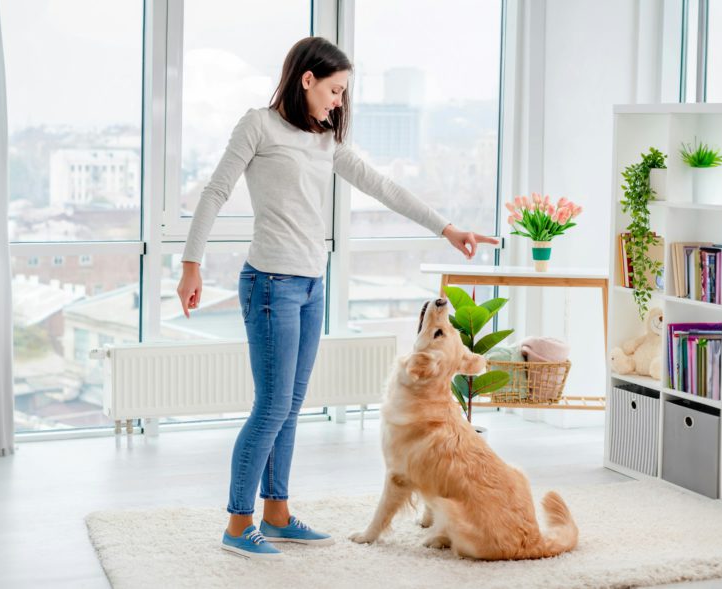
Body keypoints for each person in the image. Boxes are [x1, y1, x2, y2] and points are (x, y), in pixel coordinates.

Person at [177, 36, 498, 560]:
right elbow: (215, 191)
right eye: (335, 89)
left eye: (343, 93)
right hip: (269, 286)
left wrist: (447, 228)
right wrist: (190, 265)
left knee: (291, 405)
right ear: (307, 79)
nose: (338, 101)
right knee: (271, 406)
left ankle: (276, 514)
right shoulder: (258, 125)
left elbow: (383, 186)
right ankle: (239, 522)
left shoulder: (325, 141)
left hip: (309, 286)